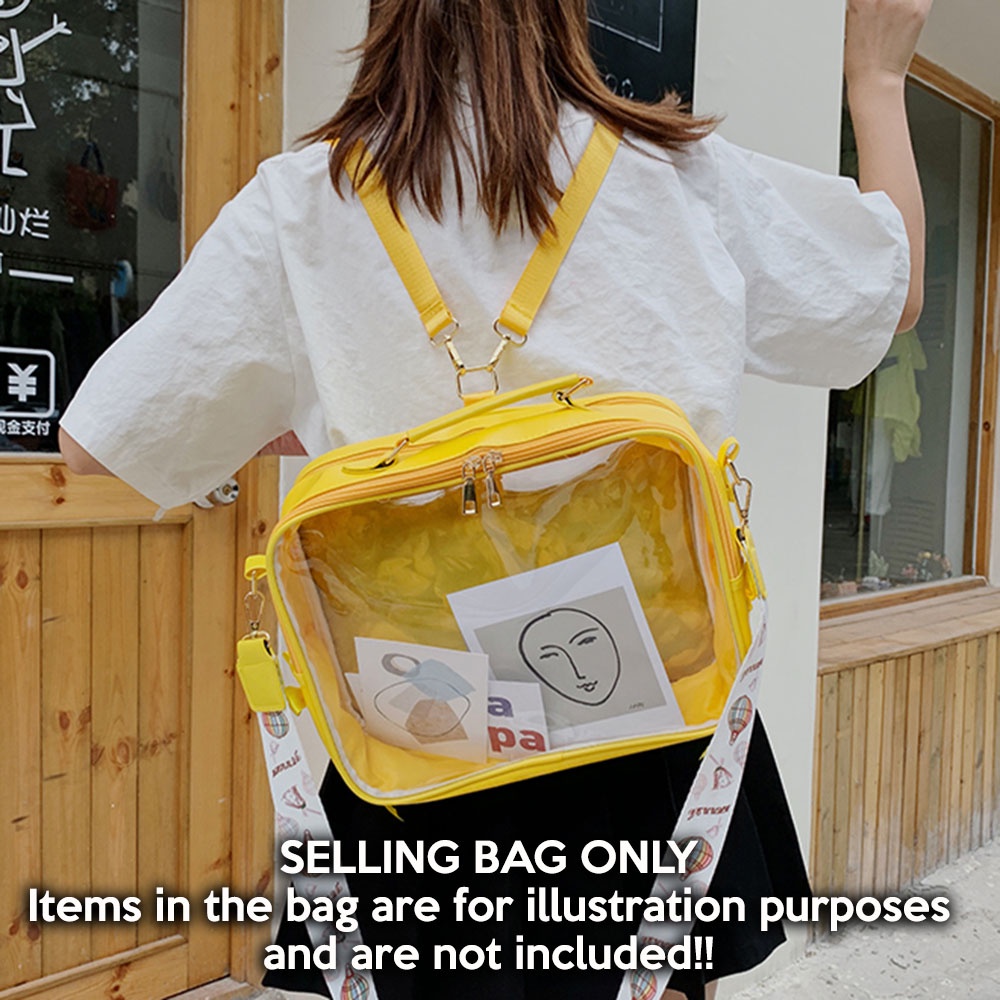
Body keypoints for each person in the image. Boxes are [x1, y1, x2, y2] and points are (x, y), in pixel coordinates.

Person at [59, 0, 932, 997]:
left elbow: (97, 445)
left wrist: (313, 413)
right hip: (652, 722)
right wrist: (878, 82)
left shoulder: (300, 206)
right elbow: (889, 291)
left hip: (421, 736)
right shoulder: (679, 176)